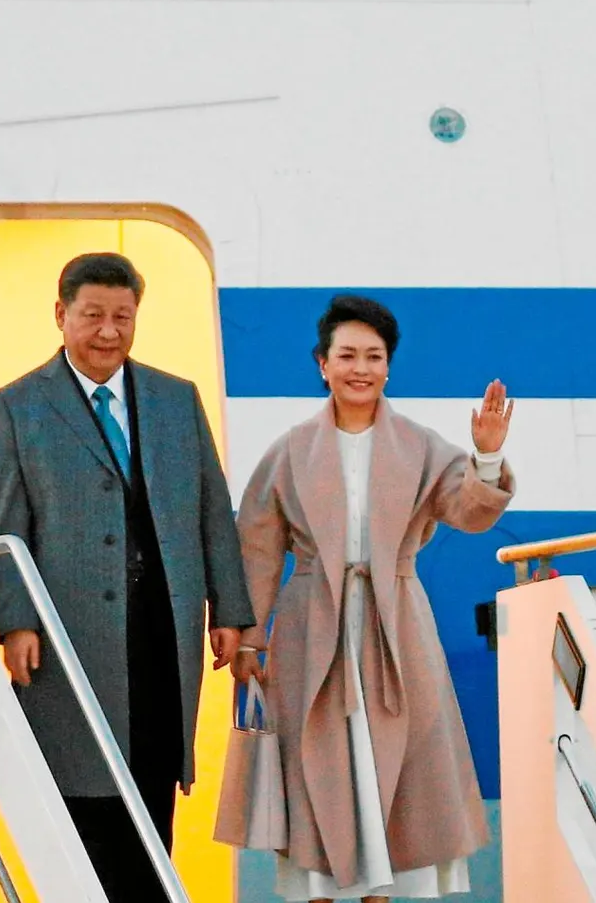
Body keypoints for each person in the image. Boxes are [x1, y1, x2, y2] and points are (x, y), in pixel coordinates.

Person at [0, 251, 255, 901]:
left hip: (164, 623)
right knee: (82, 792)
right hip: (67, 635)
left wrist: (232, 610)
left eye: (122, 316)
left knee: (152, 781)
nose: (109, 330)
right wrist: (15, 620)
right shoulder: (19, 404)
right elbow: (4, 525)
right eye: (93, 315)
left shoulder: (174, 397)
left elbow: (212, 508)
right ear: (61, 314)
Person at [231, 293, 515, 902]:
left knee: (394, 762)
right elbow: (256, 545)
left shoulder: (420, 445)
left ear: (389, 367)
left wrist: (486, 456)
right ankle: (324, 890)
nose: (360, 368)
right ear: (322, 364)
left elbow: (468, 511)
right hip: (312, 624)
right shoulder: (289, 450)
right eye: (347, 355)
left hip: (396, 623)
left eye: (374, 356)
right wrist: (250, 636)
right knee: (320, 764)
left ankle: (383, 891)